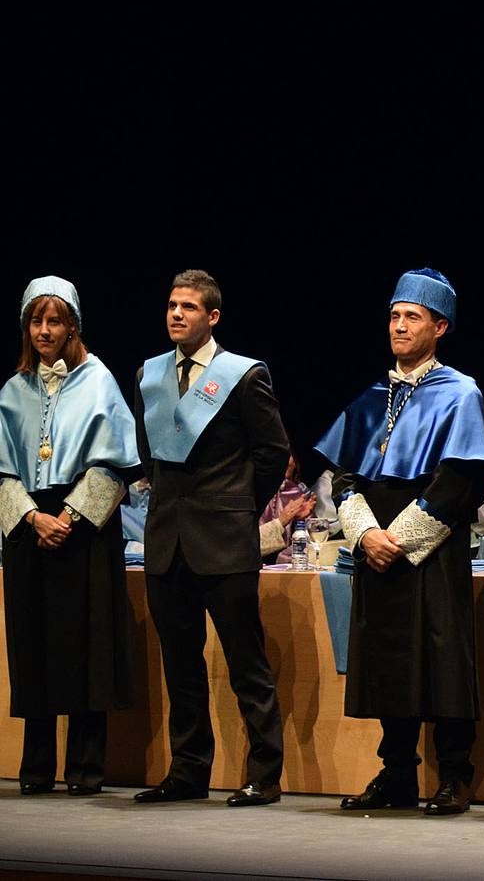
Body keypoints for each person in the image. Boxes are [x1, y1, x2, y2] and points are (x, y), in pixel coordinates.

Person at [316, 268, 484, 817]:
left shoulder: (460, 393)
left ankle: (454, 777)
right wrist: (366, 533)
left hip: (430, 551)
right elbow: (344, 475)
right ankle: (396, 774)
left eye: (411, 317)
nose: (398, 325)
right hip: (377, 549)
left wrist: (401, 538)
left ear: (439, 326)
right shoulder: (373, 395)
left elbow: (460, 481)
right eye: (394, 315)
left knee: (441, 657)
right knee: (390, 660)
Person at [131, 269, 289, 807]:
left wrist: (237, 503)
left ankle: (263, 774)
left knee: (247, 662)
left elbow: (272, 452)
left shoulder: (243, 375)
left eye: (189, 307)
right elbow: (147, 450)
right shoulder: (149, 375)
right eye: (172, 305)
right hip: (167, 539)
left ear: (212, 316)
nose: (177, 314)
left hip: (224, 539)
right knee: (181, 664)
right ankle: (188, 770)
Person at [0, 276, 140, 796]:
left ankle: (85, 767)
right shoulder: (12, 391)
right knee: (33, 643)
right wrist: (34, 518)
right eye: (36, 320)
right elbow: (2, 472)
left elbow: (115, 463)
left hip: (83, 529)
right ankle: (36, 767)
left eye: (54, 320)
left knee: (88, 644)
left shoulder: (98, 380)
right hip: (28, 528)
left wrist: (70, 518)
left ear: (72, 326)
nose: (44, 330)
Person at [257, 452, 316, 561]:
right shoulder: (251, 494)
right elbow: (240, 544)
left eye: (288, 455)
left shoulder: (301, 494)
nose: (285, 461)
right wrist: (281, 521)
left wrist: (299, 522)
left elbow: (314, 545)